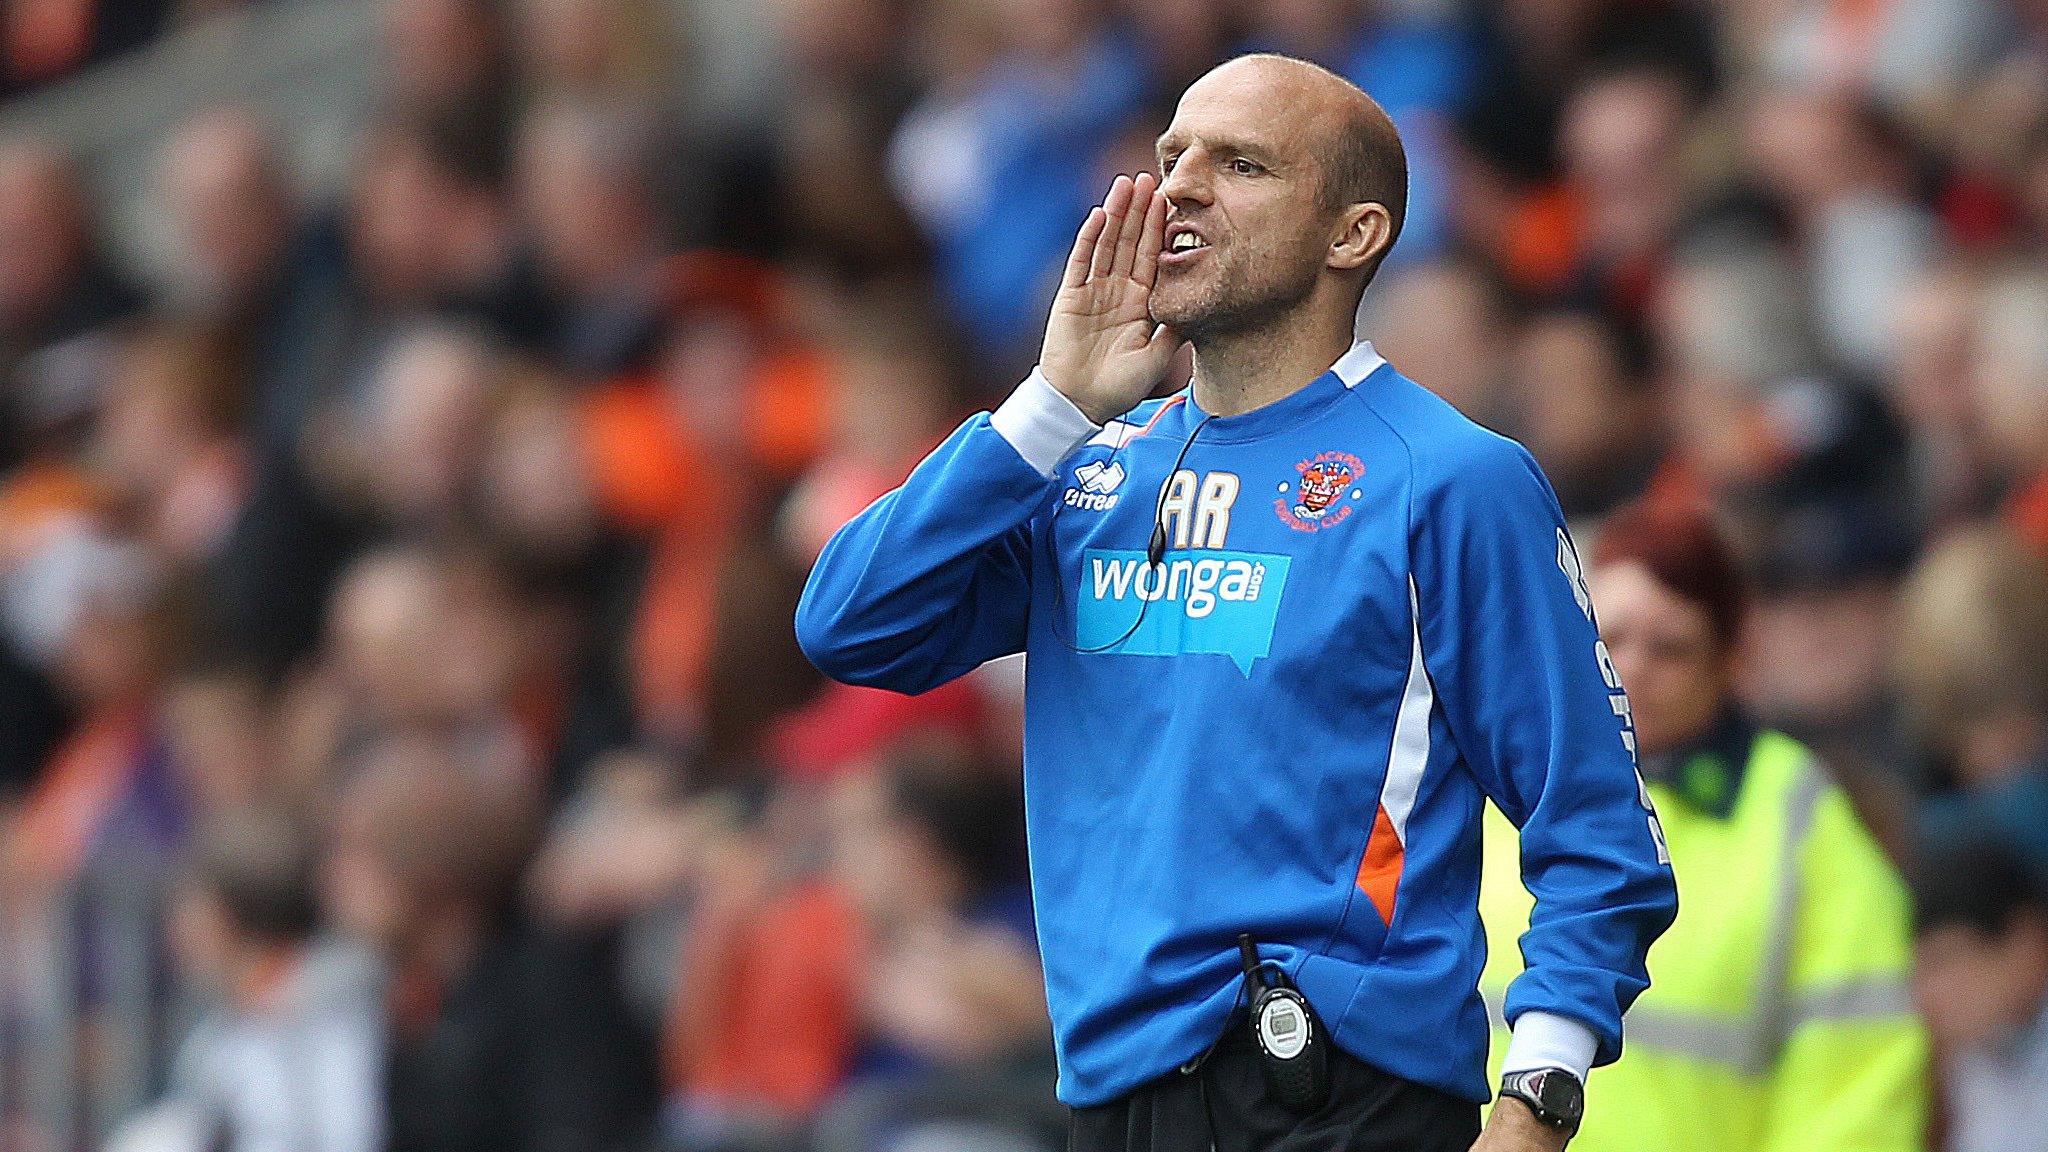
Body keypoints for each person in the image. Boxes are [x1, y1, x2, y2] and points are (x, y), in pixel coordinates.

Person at [797, 53, 1676, 1152]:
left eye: (1240, 164)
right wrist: (1050, 404)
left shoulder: (1449, 478)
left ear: (1350, 235)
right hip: (1113, 1092)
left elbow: (1596, 829)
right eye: (1171, 156)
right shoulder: (1081, 471)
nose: (1180, 188)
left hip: (1344, 1094)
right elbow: (849, 622)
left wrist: (1535, 1100)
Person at [1477, 498, 1927, 1150]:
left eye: (1671, 648)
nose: (1631, 669)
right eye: (1610, 639)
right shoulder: (1498, 785)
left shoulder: (1802, 821)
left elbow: (1858, 1093)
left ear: (1729, 660)